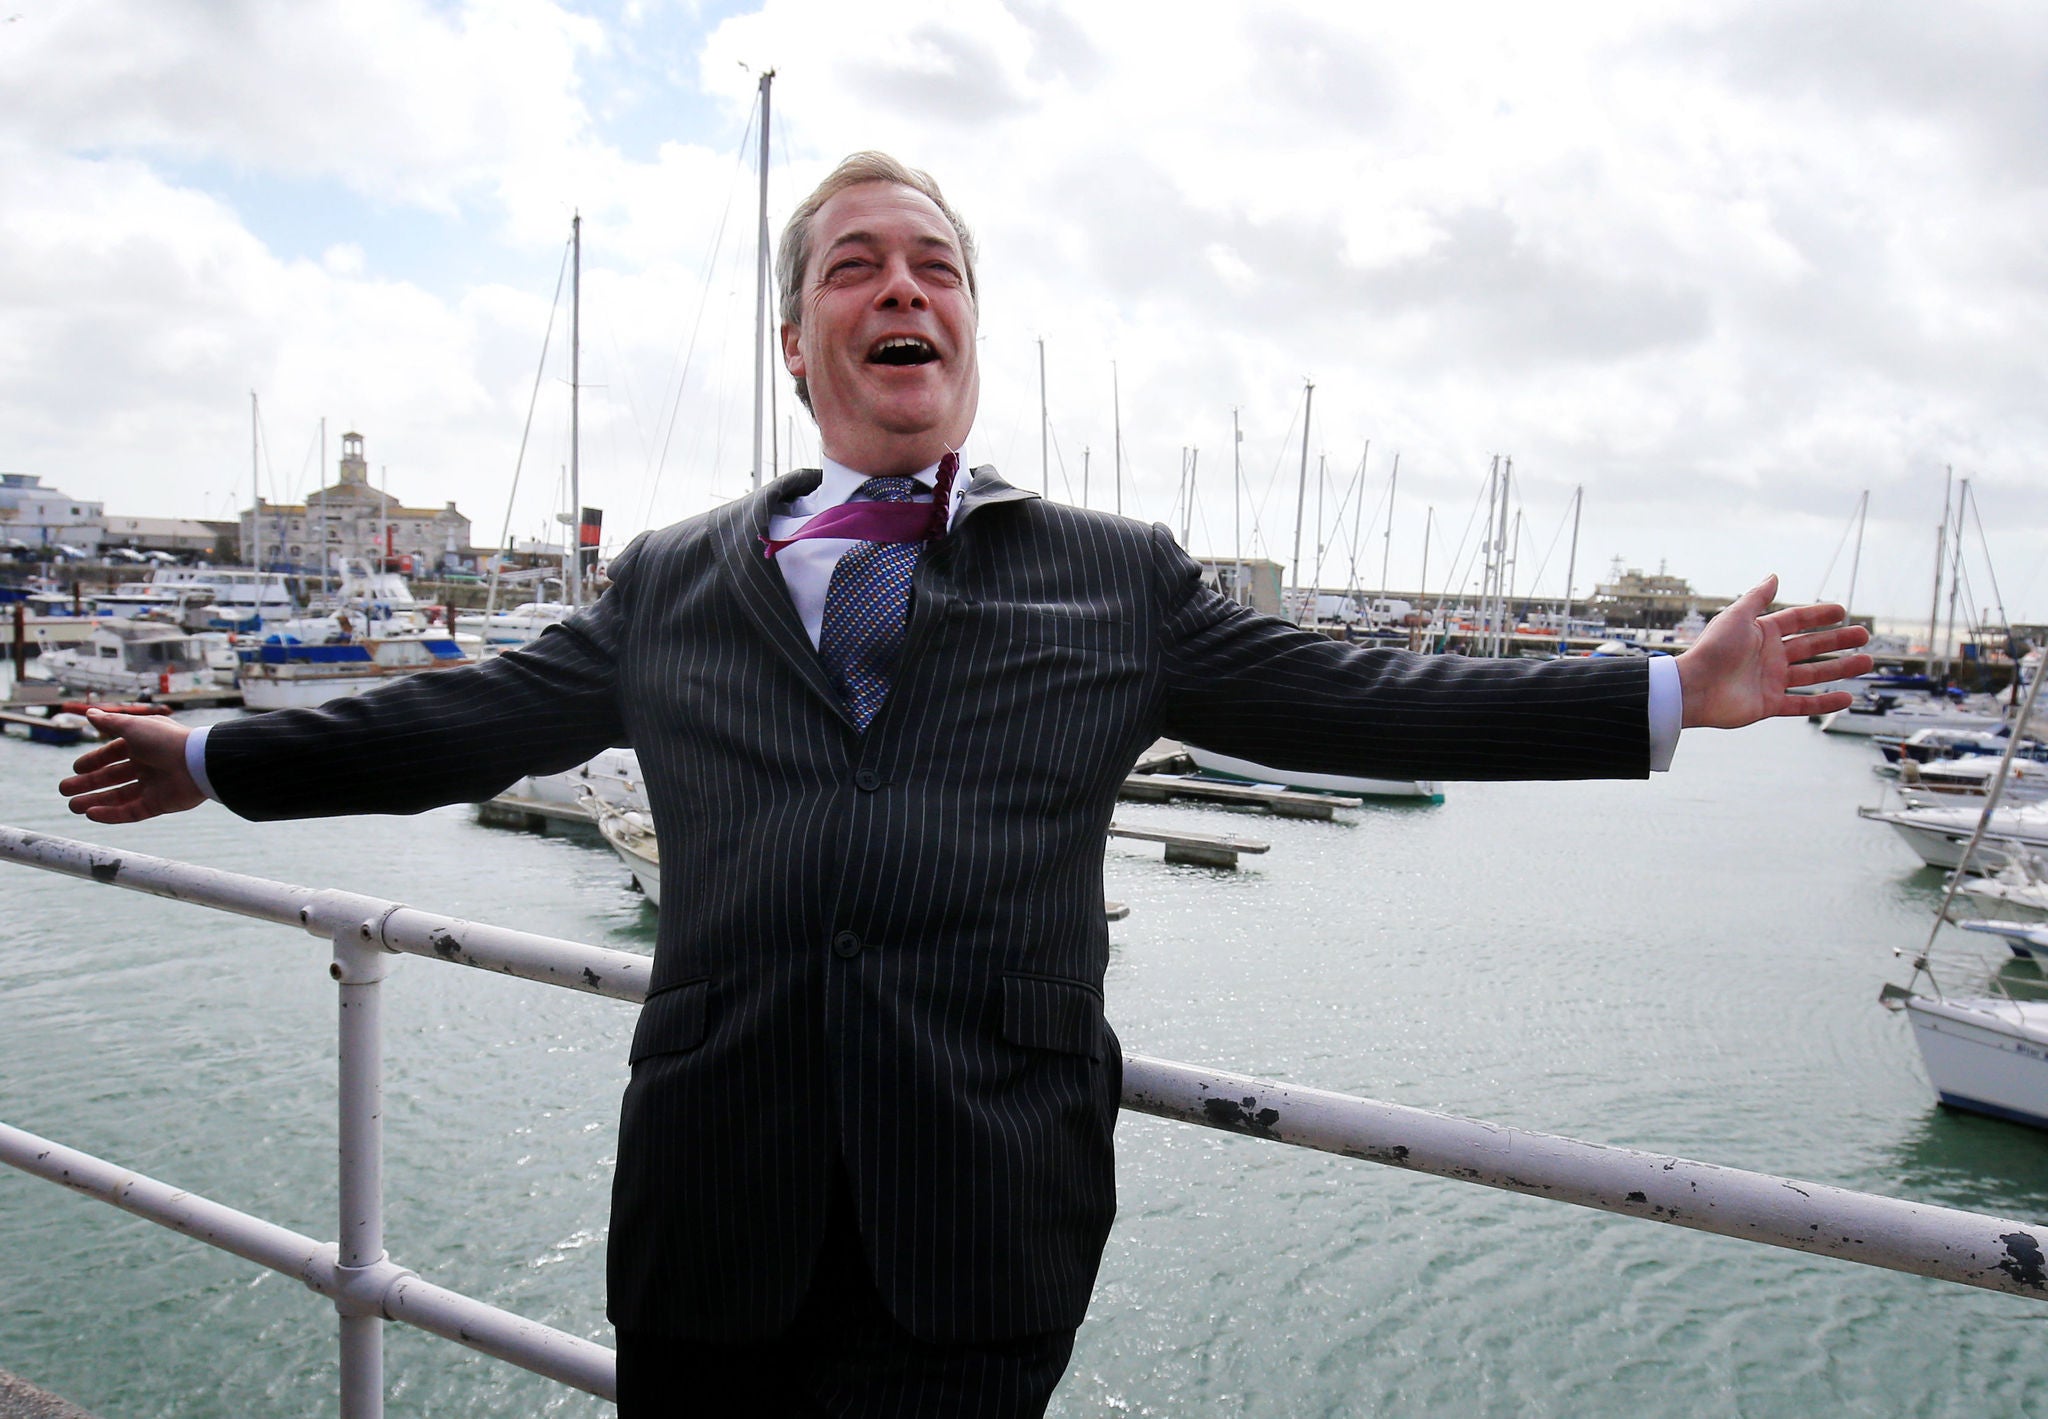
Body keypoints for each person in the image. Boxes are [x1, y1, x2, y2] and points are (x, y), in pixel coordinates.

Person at [60, 152, 1871, 1417]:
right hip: (710, 1203)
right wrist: (220, 754)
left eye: (934, 267)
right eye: (856, 264)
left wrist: (1663, 695)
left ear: (970, 336)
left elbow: (1359, 703)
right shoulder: (672, 579)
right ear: (801, 344)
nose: (900, 287)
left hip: (976, 1215)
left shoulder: (1116, 572)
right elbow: (470, 725)